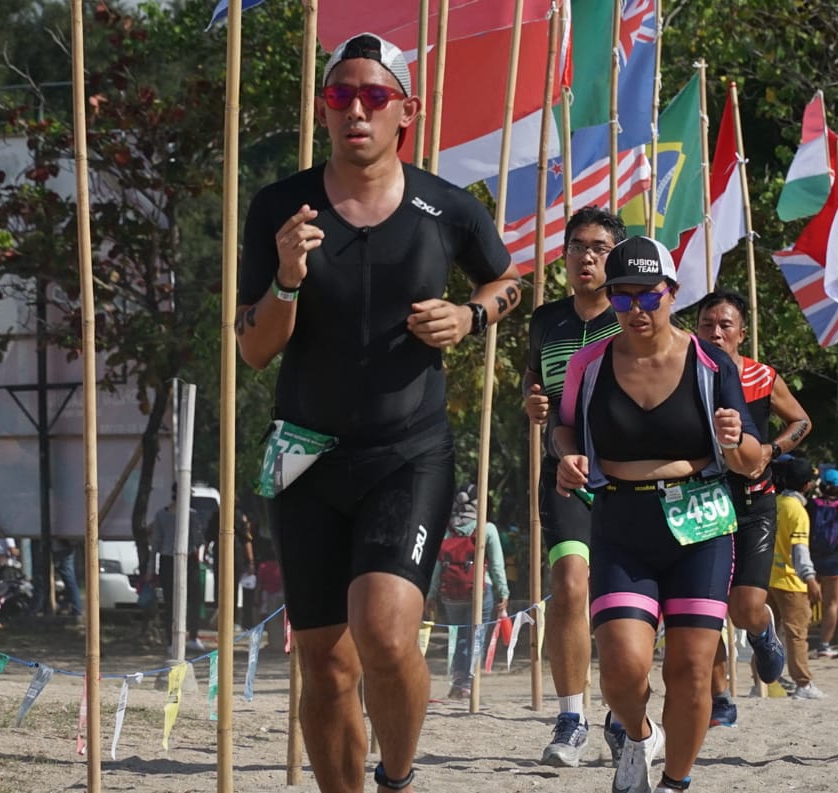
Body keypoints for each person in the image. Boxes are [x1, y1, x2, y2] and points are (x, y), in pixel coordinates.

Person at [235, 31, 521, 793]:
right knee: (324, 665)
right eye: (340, 95)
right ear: (323, 110)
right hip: (306, 455)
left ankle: (395, 776)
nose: (355, 109)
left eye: (373, 96)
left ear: (407, 111)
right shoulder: (278, 208)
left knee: (387, 634)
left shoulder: (448, 207)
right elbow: (253, 350)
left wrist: (472, 317)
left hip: (407, 450)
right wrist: (288, 279)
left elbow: (507, 281)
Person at [552, 236, 762, 793]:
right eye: (622, 298)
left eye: (648, 296)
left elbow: (751, 460)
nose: (636, 310)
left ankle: (674, 781)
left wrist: (737, 440)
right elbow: (563, 426)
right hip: (622, 521)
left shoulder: (712, 364)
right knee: (622, 667)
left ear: (672, 293)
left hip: (701, 524)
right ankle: (640, 734)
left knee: (692, 670)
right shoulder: (588, 364)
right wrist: (567, 456)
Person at [523, 206, 626, 765]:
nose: (586, 256)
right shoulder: (545, 320)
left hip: (629, 480)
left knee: (618, 602)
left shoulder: (635, 314)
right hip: (563, 472)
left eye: (599, 247)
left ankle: (622, 710)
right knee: (568, 586)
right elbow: (534, 382)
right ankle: (570, 718)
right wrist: (532, 401)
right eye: (576, 246)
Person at [695, 289, 812, 726]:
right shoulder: (684, 374)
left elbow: (801, 421)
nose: (716, 333)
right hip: (701, 504)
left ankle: (763, 631)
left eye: (725, 326)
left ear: (741, 333)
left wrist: (771, 449)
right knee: (703, 611)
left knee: (743, 608)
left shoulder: (762, 377)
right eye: (707, 325)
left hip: (753, 502)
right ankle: (720, 700)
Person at [427, 483, 510, 699]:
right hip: (480, 590)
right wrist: (504, 592)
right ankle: (468, 683)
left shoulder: (447, 529)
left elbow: (437, 566)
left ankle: (457, 681)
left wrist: (431, 594)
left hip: (450, 592)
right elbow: (497, 566)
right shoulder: (486, 528)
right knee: (476, 637)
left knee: (458, 636)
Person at [766, 456, 824, 700]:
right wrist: (810, 578)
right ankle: (803, 683)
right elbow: (799, 550)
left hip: (769, 579)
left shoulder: (775, 503)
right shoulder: (797, 511)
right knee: (797, 634)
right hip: (791, 582)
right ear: (807, 485)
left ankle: (765, 681)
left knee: (768, 635)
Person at [150, 484, 204, 652]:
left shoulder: (161, 515)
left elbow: (156, 543)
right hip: (186, 559)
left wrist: (151, 567)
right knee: (192, 599)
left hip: (168, 560)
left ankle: (172, 641)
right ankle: (191, 637)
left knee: (171, 601)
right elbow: (198, 539)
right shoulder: (191, 515)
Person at [808, 468, 838, 660]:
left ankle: (799, 639)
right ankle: (824, 645)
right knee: (831, 604)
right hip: (834, 561)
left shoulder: (810, 506)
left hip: (811, 558)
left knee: (804, 601)